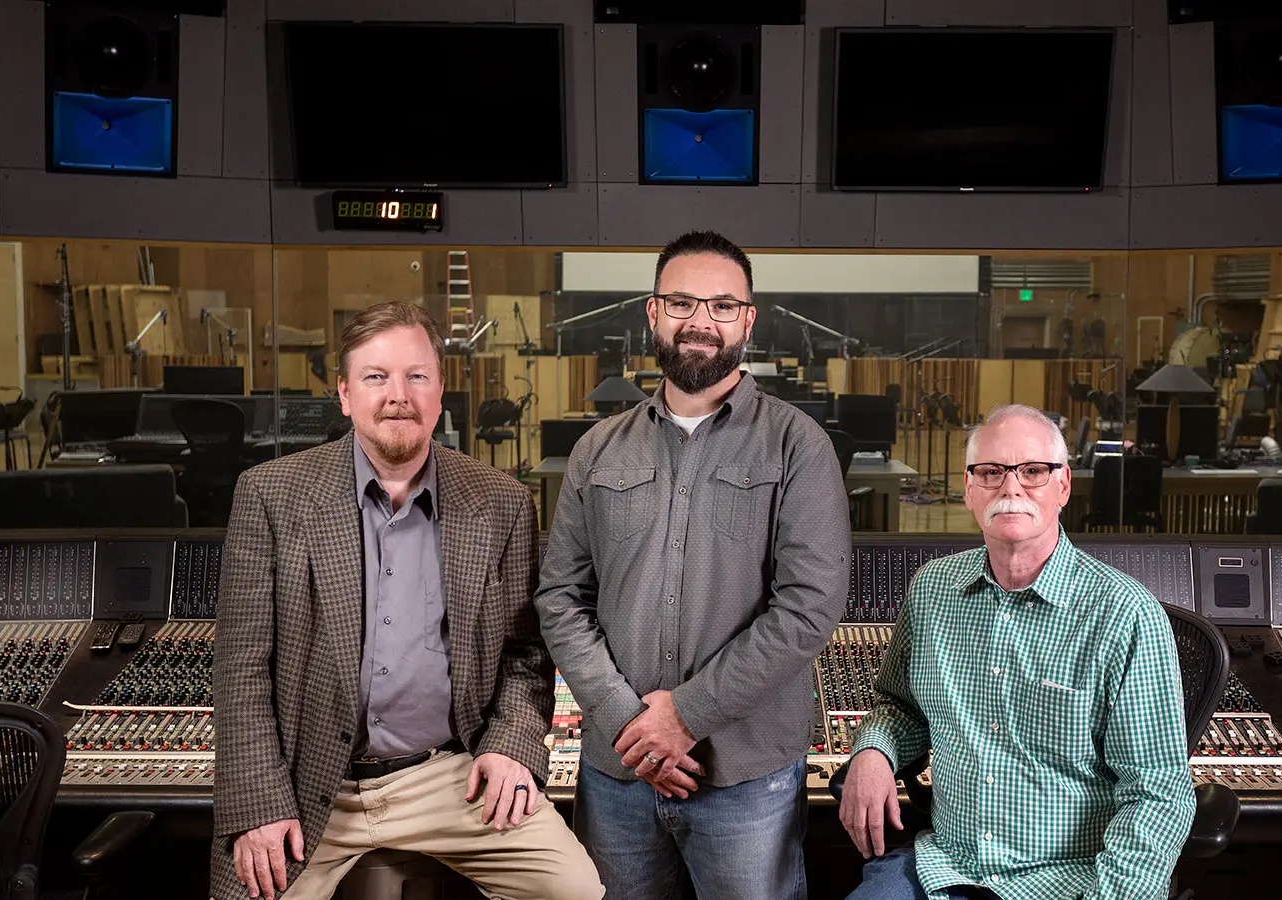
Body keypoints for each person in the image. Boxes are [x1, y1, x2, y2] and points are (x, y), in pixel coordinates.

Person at [211, 301, 601, 900]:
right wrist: (260, 803)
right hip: (312, 781)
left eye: (416, 376)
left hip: (448, 775)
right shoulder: (270, 495)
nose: (398, 395)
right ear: (344, 394)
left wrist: (511, 746)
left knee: (574, 889)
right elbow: (240, 671)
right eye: (376, 377)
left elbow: (526, 654)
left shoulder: (501, 502)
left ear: (440, 391)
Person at [536, 230, 852, 899]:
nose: (700, 322)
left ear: (748, 320)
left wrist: (685, 716)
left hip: (746, 782)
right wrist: (629, 721)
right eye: (681, 303)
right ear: (652, 313)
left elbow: (809, 608)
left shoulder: (799, 447)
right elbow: (561, 597)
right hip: (616, 775)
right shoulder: (597, 450)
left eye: (722, 306)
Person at [839, 404, 1195, 900]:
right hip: (949, 866)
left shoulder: (1124, 614)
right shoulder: (931, 591)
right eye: (990, 472)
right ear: (968, 489)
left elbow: (1156, 791)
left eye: (1032, 471)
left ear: (1064, 486)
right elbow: (899, 706)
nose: (1011, 488)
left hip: (1070, 878)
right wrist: (873, 753)